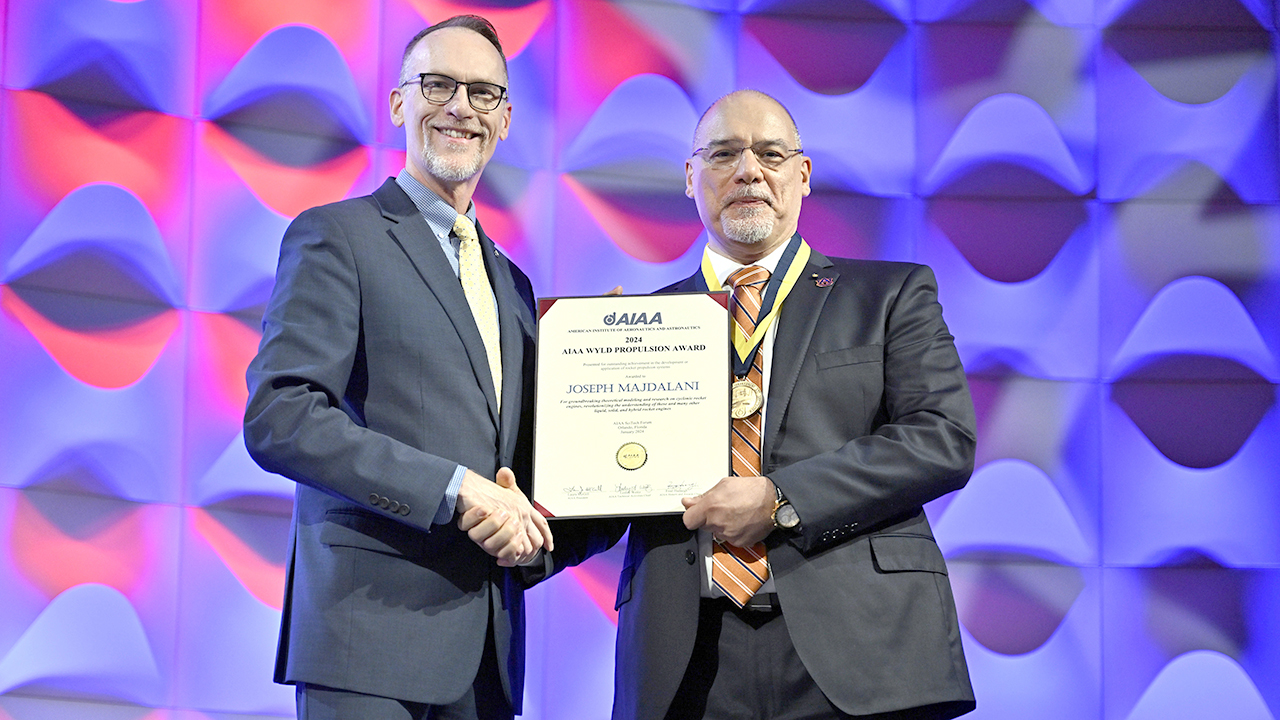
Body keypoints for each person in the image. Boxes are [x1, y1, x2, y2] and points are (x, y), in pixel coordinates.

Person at [544, 90, 979, 720]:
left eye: (771, 154)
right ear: (690, 177)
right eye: (723, 154)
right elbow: (607, 489)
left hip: (863, 645)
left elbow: (943, 438)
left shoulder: (889, 294)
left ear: (802, 176)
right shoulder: (632, 326)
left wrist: (780, 498)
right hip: (687, 657)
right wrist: (533, 503)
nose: (749, 170)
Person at [243, 15, 552, 720]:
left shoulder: (515, 285)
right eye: (437, 84)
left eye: (481, 93)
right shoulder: (337, 234)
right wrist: (455, 490)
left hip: (485, 655)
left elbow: (517, 466)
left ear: (505, 119)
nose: (459, 108)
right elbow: (281, 416)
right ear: (397, 104)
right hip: (365, 643)